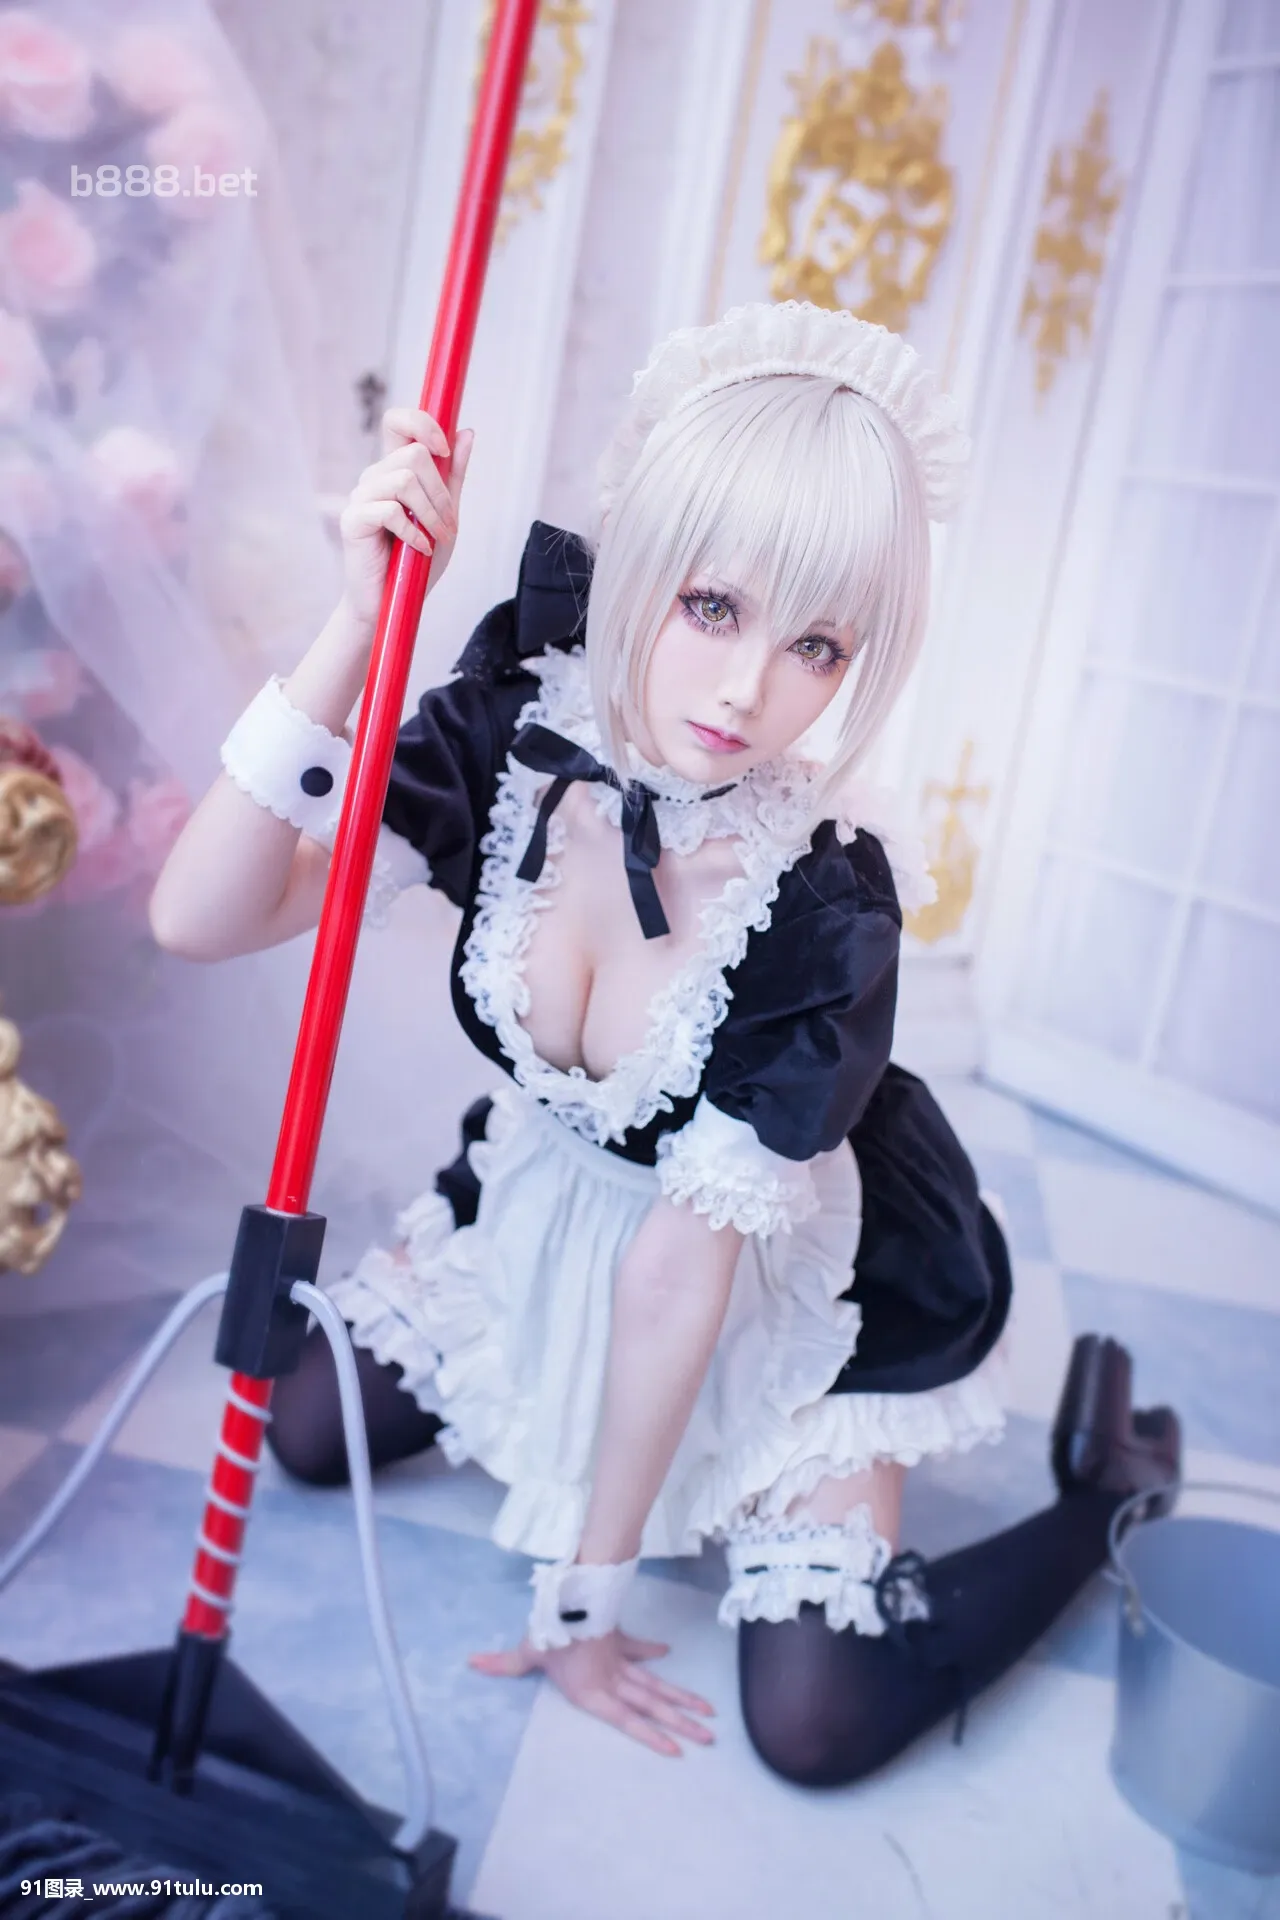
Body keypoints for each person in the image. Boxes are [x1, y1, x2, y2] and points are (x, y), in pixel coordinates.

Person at [149, 301, 1182, 1783]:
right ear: (639, 560)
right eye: (712, 606)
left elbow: (678, 1278)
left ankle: (1106, 1499)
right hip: (564, 1202)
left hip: (776, 1279)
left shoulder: (819, 902)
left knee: (814, 1724)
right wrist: (358, 629)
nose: (750, 689)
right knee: (311, 1432)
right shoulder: (515, 732)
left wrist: (586, 1598)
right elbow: (201, 915)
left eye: (815, 642)